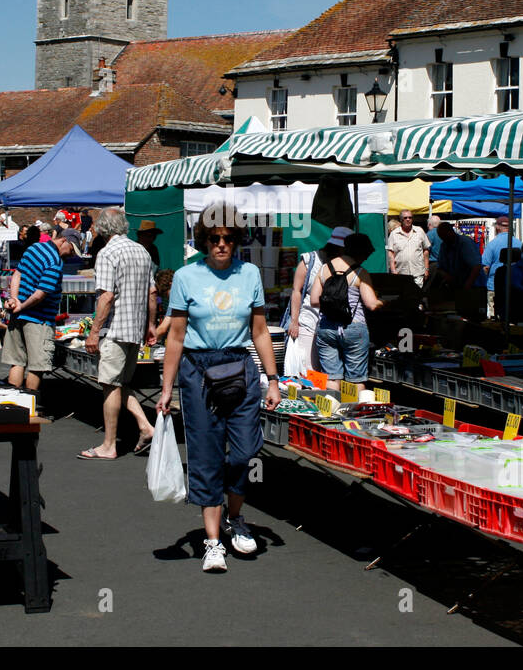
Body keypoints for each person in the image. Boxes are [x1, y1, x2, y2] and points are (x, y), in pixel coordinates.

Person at [157, 217, 281, 573]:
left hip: (239, 365)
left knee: (245, 452)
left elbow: (259, 330)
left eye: (228, 238)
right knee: (206, 455)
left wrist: (273, 379)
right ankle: (212, 541)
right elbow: (176, 337)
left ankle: (235, 517)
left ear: (237, 239)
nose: (221, 244)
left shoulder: (249, 274)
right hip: (198, 370)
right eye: (214, 238)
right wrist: (167, 389)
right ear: (203, 241)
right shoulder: (185, 277)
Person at [79, 208, 158, 460]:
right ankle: (146, 427)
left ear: (102, 229)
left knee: (109, 385)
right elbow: (152, 293)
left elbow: (106, 296)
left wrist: (93, 332)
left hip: (115, 329)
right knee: (121, 384)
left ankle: (109, 445)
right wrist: (151, 325)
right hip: (134, 328)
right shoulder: (141, 251)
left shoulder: (107, 253)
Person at [3, 229, 78, 394]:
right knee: (37, 366)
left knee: (17, 362)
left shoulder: (34, 248)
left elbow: (17, 274)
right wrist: (21, 305)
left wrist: (15, 300)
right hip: (39, 319)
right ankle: (30, 406)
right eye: (72, 250)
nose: (71, 255)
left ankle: (13, 405)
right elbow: (40, 294)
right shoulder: (55, 262)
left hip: (19, 315)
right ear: (64, 241)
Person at [310, 232, 386, 391]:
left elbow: (314, 300)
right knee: (356, 379)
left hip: (326, 328)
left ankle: (331, 413)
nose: (366, 258)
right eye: (366, 254)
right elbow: (371, 304)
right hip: (353, 327)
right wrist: (385, 302)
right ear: (361, 252)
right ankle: (356, 413)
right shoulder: (360, 272)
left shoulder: (325, 268)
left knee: (331, 377)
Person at [284, 227, 347, 377]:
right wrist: (294, 321)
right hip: (308, 321)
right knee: (308, 369)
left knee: (326, 372)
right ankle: (309, 397)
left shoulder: (342, 264)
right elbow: (296, 291)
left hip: (331, 325)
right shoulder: (309, 260)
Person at [435, 222, 485, 317]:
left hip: (474, 287)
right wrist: (446, 276)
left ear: (451, 232)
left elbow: (476, 266)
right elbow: (440, 267)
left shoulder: (465, 243)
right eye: (441, 237)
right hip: (458, 287)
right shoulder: (444, 245)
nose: (443, 239)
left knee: (474, 317)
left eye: (444, 236)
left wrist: (467, 287)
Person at [483, 215, 522, 319]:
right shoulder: (519, 243)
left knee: (494, 317)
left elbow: (485, 267)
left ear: (497, 227)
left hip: (494, 287)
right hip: (516, 288)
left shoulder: (492, 244)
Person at [386, 210, 430, 288]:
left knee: (416, 297)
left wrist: (426, 269)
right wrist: (393, 270)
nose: (408, 219)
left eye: (410, 217)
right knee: (403, 298)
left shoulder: (420, 231)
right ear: (401, 220)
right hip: (401, 273)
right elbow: (390, 254)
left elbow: (426, 250)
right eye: (405, 218)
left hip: (418, 273)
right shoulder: (394, 234)